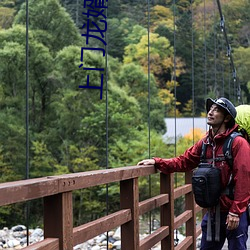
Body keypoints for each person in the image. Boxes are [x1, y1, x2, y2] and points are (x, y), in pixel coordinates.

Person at [137, 97, 250, 250]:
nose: (210, 112)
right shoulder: (205, 143)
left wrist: (236, 212)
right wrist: (157, 162)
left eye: (216, 110)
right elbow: (184, 161)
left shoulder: (238, 143)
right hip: (213, 211)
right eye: (210, 109)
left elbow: (244, 178)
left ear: (227, 118)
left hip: (233, 211)